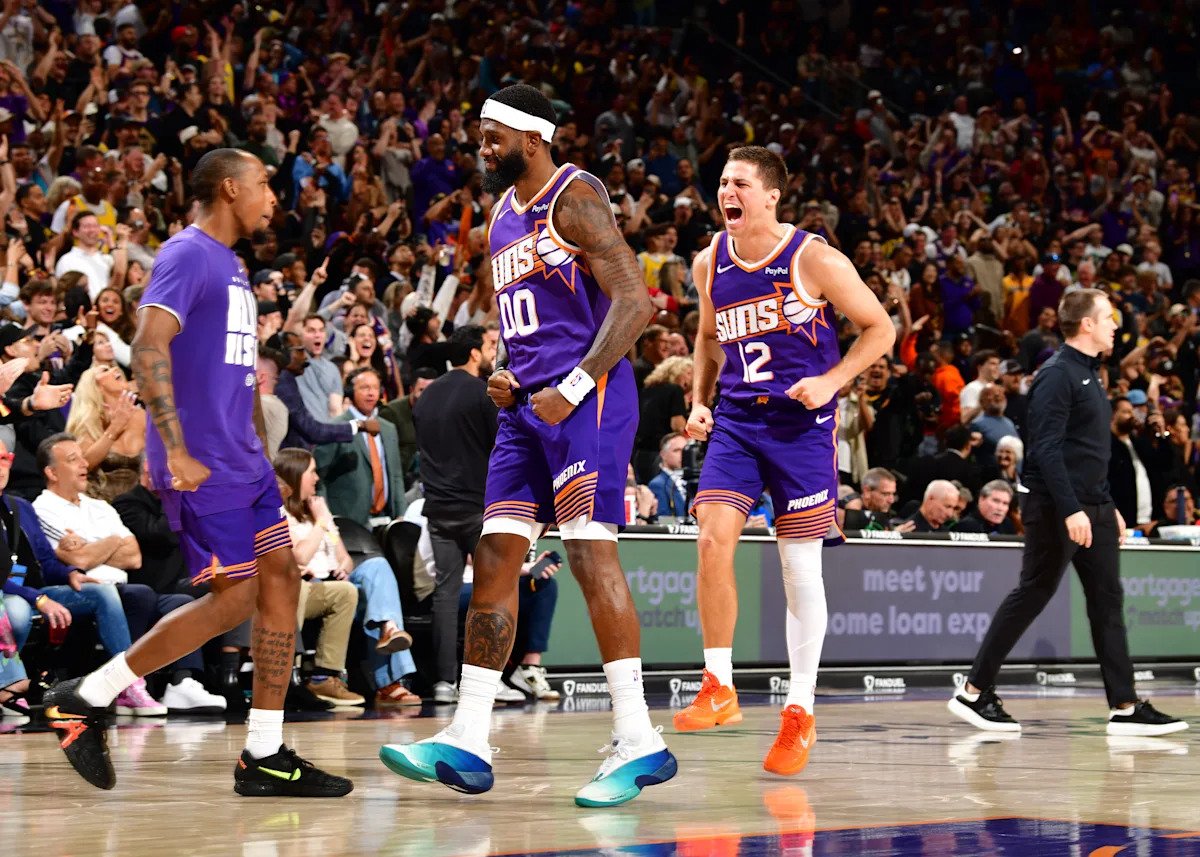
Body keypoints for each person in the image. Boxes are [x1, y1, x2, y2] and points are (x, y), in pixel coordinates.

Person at [380, 84, 675, 808]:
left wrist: (570, 386)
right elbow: (525, 318)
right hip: (526, 407)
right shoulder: (500, 216)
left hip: (586, 400)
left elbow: (636, 302)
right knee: (494, 553)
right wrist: (506, 369)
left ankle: (638, 737)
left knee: (588, 552)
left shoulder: (575, 197)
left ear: (532, 139)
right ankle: (469, 735)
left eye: (494, 137)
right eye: (479, 136)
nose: (482, 148)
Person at [42, 149, 353, 797]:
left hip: (244, 462)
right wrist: (175, 448)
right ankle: (88, 695)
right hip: (203, 463)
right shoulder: (186, 253)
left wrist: (259, 448)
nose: (274, 197)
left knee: (281, 580)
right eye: (264, 184)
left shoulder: (233, 266)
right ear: (230, 188)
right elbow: (148, 344)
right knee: (235, 597)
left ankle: (264, 751)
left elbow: (235, 372)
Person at [673, 145, 895, 777]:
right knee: (711, 536)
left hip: (801, 427)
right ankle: (718, 684)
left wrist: (832, 380)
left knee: (798, 568)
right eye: (723, 182)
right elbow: (707, 338)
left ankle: (800, 710)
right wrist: (698, 400)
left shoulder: (814, 257)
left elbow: (880, 329)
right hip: (738, 422)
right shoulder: (709, 261)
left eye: (740, 183)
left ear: (771, 196)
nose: (727, 192)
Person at [949, 289, 1186, 737]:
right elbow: (1046, 451)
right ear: (1087, 324)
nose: (1116, 324)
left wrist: (1106, 506)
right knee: (1034, 593)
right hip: (1057, 506)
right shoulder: (1057, 375)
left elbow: (1085, 453)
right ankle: (973, 692)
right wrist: (1072, 508)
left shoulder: (1091, 373)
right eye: (1108, 317)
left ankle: (1125, 706)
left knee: (1107, 600)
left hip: (1093, 506)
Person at [408, 324, 498, 703]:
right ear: (474, 353)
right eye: (489, 345)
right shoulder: (483, 392)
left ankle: (445, 682)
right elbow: (500, 447)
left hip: (438, 509)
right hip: (478, 508)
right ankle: (487, 681)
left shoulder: (426, 396)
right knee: (494, 592)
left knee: (445, 595)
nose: (493, 350)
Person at [313, 367, 407, 529]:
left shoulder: (388, 428)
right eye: (365, 388)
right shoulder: (336, 428)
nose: (371, 393)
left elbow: (396, 475)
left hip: (387, 519)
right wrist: (325, 519)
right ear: (350, 392)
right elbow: (319, 477)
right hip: (348, 521)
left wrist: (401, 514)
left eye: (375, 388)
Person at [64, 365, 146, 502]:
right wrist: (114, 428)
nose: (115, 369)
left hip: (138, 504)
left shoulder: (141, 415)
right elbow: (83, 465)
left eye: (112, 367)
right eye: (105, 370)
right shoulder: (89, 422)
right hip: (100, 504)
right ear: (94, 387)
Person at [953, 479, 1018, 535]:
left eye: (1005, 503)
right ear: (981, 499)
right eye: (996, 501)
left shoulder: (1007, 525)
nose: (1000, 508)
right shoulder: (966, 526)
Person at [647, 432, 689, 519]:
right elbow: (662, 520)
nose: (682, 454)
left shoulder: (695, 480)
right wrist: (684, 523)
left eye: (685, 450)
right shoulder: (657, 484)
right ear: (663, 454)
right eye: (677, 450)